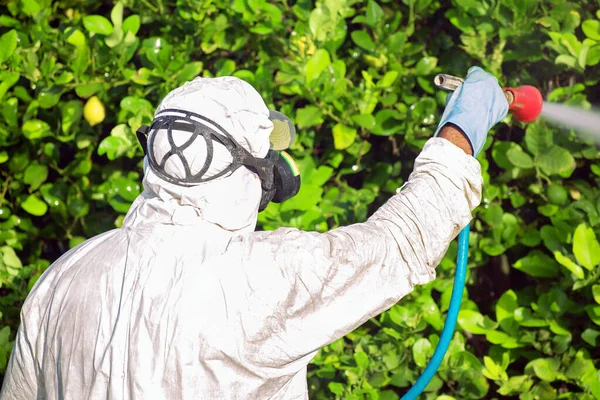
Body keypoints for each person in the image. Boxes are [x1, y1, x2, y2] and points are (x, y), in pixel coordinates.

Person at [1, 66, 508, 399]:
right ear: (254, 173)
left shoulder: (62, 279)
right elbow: (402, 240)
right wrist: (461, 130)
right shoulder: (263, 278)